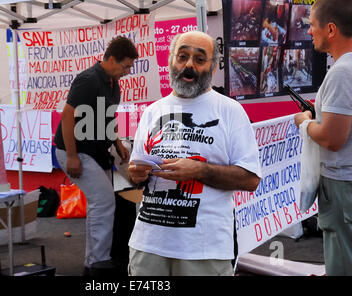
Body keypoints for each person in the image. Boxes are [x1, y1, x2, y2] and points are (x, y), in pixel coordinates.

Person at [127, 31, 262, 276]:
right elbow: (136, 175)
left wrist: (199, 170)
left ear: (212, 67)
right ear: (171, 61)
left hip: (203, 250)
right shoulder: (151, 112)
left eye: (199, 59)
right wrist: (137, 174)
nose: (189, 64)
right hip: (148, 246)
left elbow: (250, 179)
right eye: (182, 56)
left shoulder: (230, 111)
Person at [54, 36, 138, 275]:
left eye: (130, 67)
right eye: (125, 66)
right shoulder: (88, 80)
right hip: (75, 151)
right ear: (111, 59)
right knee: (103, 201)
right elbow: (68, 116)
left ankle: (96, 260)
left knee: (101, 202)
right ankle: (97, 263)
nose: (127, 71)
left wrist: (117, 143)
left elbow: (107, 117)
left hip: (96, 151)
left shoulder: (114, 83)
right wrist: (72, 157)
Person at [294, 0, 352, 276]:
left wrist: (304, 123)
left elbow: (332, 138)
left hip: (343, 186)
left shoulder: (342, 71)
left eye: (312, 23)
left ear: (331, 29)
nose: (308, 30)